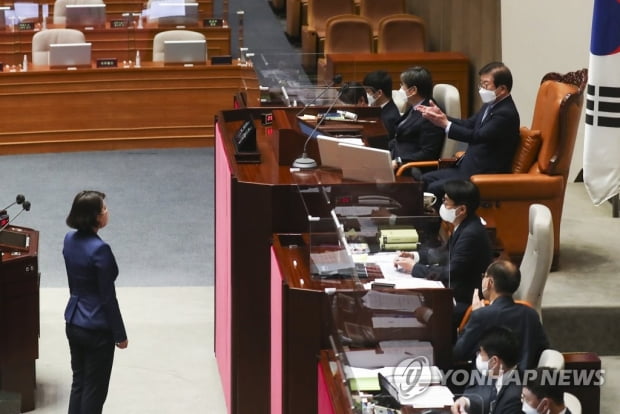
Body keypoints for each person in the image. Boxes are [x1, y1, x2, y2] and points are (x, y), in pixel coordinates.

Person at [394, 179, 492, 328]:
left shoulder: (471, 234)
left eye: (446, 202)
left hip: (461, 300)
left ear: (462, 210)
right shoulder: (466, 224)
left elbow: (451, 272)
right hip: (451, 289)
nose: (442, 206)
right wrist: (416, 256)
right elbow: (444, 252)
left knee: (411, 310)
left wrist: (415, 269)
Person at [417, 61, 520, 203]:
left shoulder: (505, 113)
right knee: (424, 179)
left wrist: (446, 124)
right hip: (467, 167)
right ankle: (426, 223)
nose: (482, 89)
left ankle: (434, 224)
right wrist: (442, 116)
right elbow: (469, 124)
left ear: (502, 89)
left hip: (482, 174)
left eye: (485, 84)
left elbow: (477, 136)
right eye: (481, 84)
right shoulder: (490, 105)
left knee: (435, 188)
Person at [63, 190, 128, 414]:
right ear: (95, 218)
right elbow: (108, 298)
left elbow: (74, 283)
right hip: (96, 329)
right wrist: (120, 334)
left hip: (73, 321)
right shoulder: (100, 250)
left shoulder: (69, 239)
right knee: (95, 391)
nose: (107, 212)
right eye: (104, 209)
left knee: (79, 383)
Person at [454, 259, 550, 371]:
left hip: (489, 384)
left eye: (484, 276)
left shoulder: (481, 316)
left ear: (490, 282)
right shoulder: (530, 314)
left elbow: (459, 353)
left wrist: (476, 314)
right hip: (524, 382)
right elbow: (544, 349)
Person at [451, 326, 523, 414]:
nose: (478, 356)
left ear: (494, 361)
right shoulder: (501, 374)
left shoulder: (514, 399)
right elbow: (489, 401)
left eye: (481, 352)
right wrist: (465, 401)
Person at [390, 66, 445, 177]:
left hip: (409, 167)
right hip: (395, 153)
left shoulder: (430, 115)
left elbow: (428, 153)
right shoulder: (416, 105)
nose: (400, 89)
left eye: (402, 85)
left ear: (413, 90)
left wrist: (399, 160)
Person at [362, 70, 401, 141]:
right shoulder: (378, 108)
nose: (366, 95)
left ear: (379, 93)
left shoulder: (389, 118)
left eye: (368, 91)